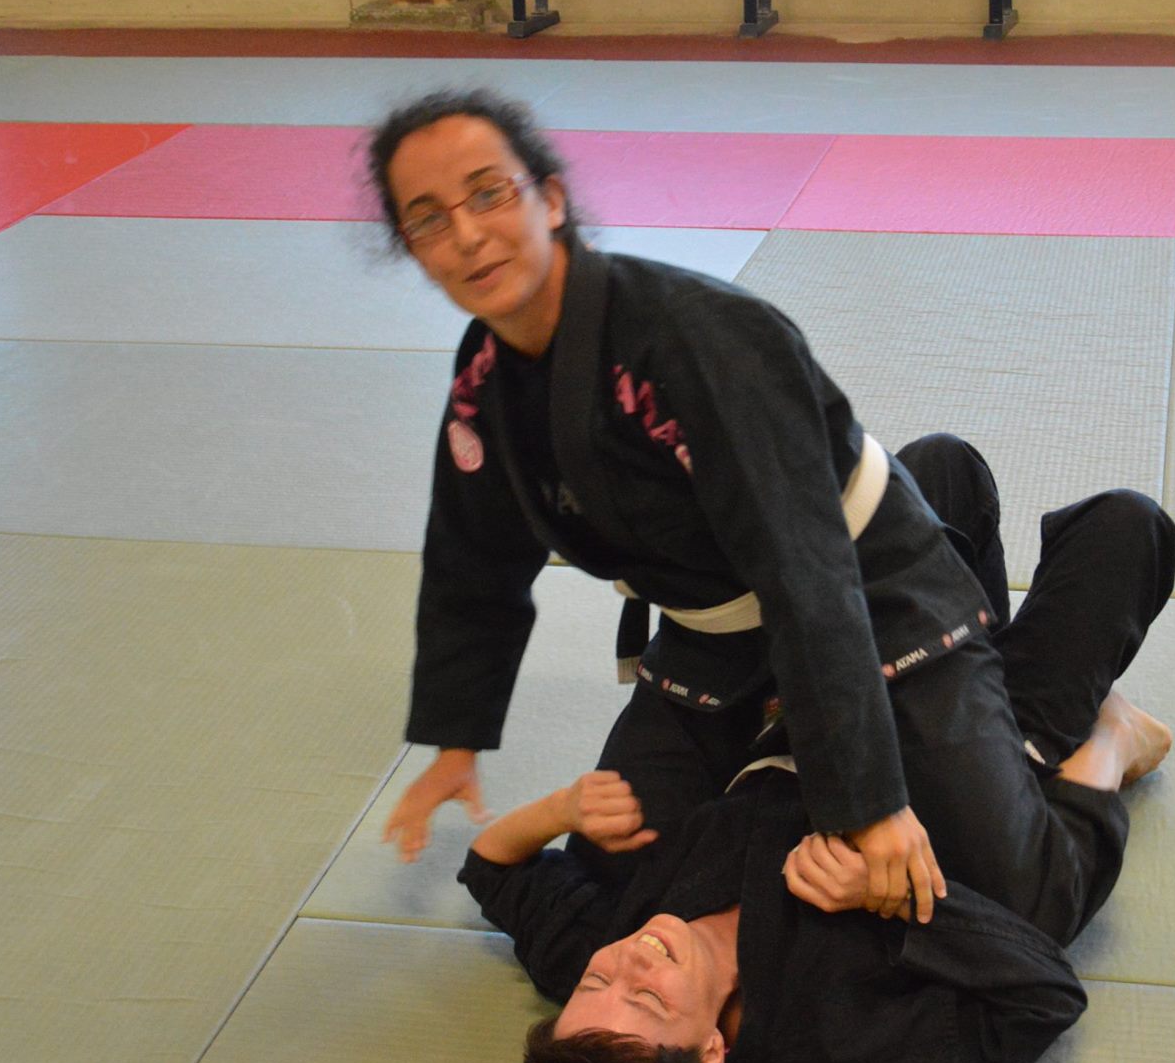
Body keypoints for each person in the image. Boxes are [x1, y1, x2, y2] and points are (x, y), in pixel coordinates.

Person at [374, 87, 1047, 921]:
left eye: (488, 193)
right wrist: (457, 739)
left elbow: (804, 571)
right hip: (715, 634)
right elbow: (471, 559)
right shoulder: (485, 378)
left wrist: (869, 803)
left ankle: (1060, 699)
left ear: (548, 198)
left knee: (1000, 885)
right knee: (626, 875)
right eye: (428, 219)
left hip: (866, 587)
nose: (467, 234)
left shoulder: (696, 334)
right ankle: (803, 729)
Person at [461, 441, 1175, 1063]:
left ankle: (976, 655)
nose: (631, 961)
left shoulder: (597, 978)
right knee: (1125, 529)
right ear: (711, 1052)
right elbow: (1042, 996)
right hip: (976, 794)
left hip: (834, 722)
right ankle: (1114, 734)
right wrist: (883, 899)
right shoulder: (827, 1048)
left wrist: (562, 808)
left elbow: (491, 868)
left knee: (938, 474)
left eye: (596, 981)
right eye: (646, 997)